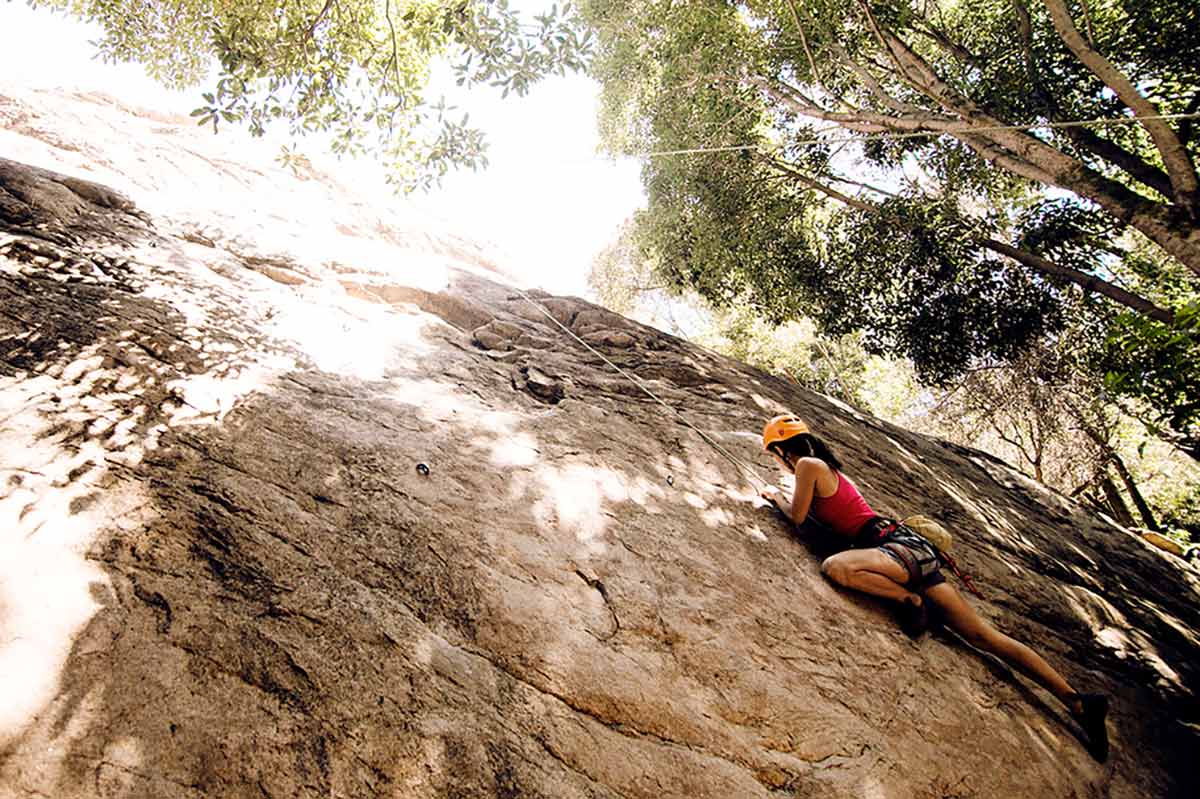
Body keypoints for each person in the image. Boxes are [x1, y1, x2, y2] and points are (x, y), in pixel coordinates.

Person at [758, 413, 1110, 761]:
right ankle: (1077, 701)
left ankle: (908, 599)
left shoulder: (806, 464)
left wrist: (775, 497)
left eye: (774, 453)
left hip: (894, 551)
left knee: (836, 568)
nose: (778, 460)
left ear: (780, 449)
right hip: (910, 551)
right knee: (983, 636)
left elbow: (798, 517)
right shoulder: (828, 467)